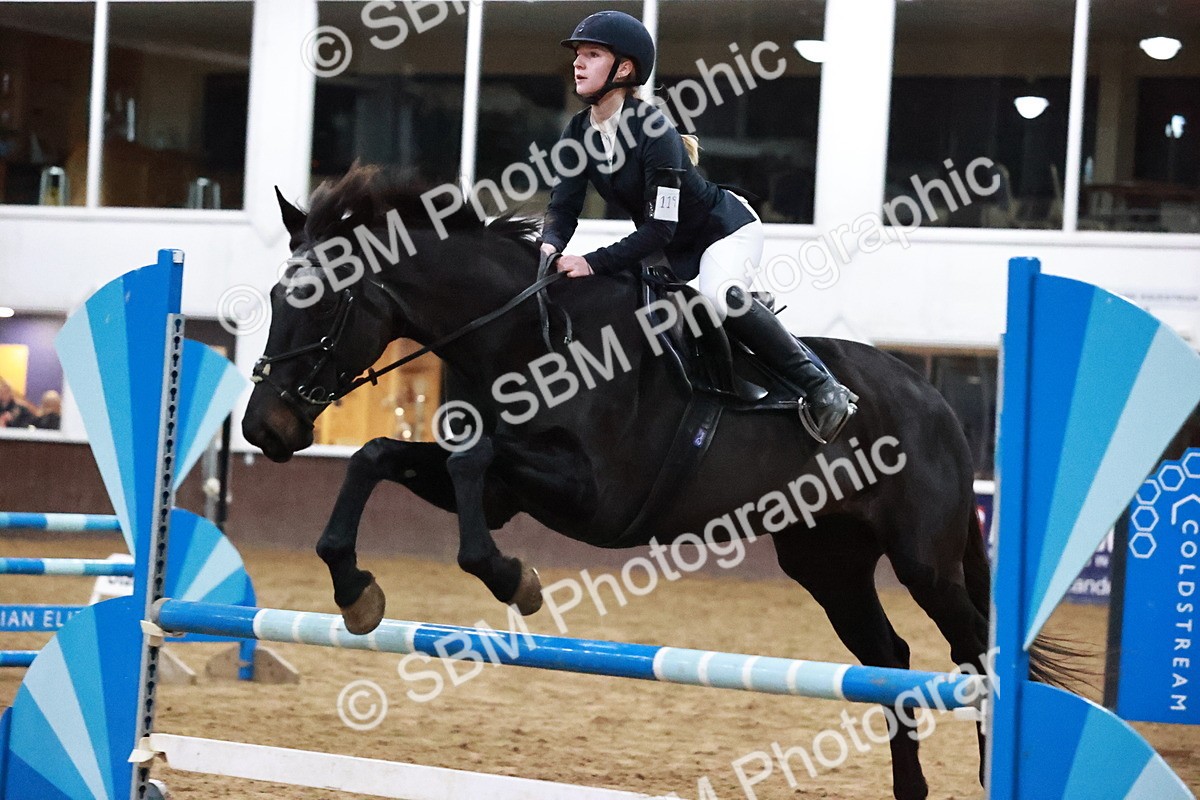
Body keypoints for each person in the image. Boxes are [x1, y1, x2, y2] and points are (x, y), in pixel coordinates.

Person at [539, 11, 856, 443]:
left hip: (724, 231)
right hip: (669, 247)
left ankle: (823, 387)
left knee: (717, 297)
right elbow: (563, 207)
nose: (578, 63)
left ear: (624, 68)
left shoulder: (654, 130)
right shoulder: (576, 132)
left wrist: (592, 262)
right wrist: (546, 250)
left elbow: (659, 230)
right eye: (578, 54)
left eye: (591, 55)